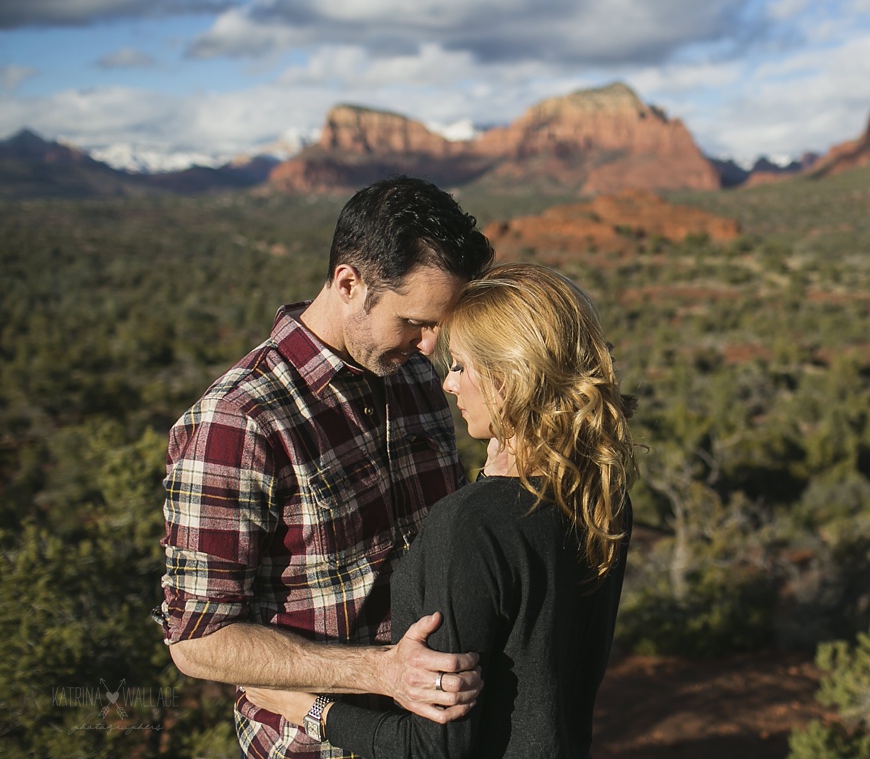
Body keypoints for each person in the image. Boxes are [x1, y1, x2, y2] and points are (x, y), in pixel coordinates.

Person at [157, 176, 494, 759]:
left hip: (434, 734)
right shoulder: (239, 422)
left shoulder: (413, 378)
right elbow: (198, 642)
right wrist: (385, 673)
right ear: (348, 283)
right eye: (415, 321)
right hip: (314, 743)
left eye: (439, 325)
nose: (429, 346)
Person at [243, 263, 638, 758]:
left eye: (461, 366)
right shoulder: (601, 491)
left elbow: (437, 747)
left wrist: (307, 709)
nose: (448, 385)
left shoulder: (474, 523)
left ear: (508, 379)